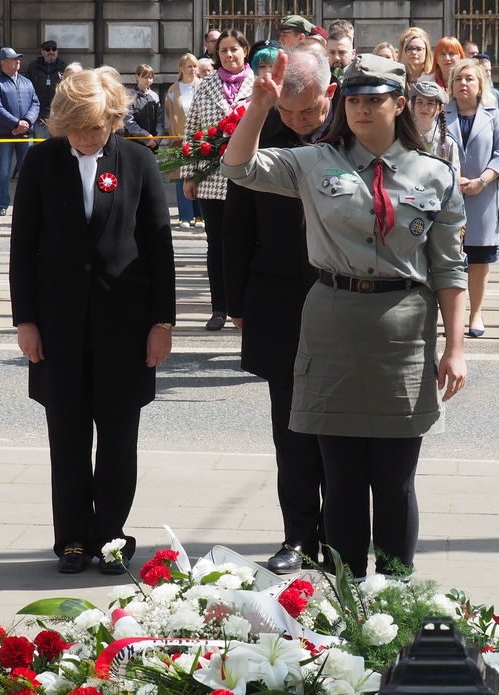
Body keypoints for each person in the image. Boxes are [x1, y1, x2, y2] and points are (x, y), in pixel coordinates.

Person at [222, 52, 467, 580]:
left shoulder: (436, 174)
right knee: (343, 475)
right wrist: (260, 106)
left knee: (396, 480)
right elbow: (237, 168)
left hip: (403, 329)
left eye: (374, 100)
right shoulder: (315, 161)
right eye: (353, 100)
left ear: (399, 104)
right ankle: (349, 594)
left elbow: (449, 269)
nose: (361, 110)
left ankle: (397, 598)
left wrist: (455, 348)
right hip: (331, 323)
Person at [8, 67, 175, 576]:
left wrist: (162, 323)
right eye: (79, 128)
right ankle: (73, 539)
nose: (88, 137)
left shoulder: (139, 161)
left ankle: (112, 537)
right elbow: (23, 246)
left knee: (120, 441)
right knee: (68, 439)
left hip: (125, 326)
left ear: (114, 121)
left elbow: (159, 246)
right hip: (59, 325)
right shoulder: (41, 162)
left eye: (98, 127)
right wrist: (26, 320)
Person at [222, 45, 325, 575]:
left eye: (307, 111)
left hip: (343, 300)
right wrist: (235, 301)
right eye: (288, 112)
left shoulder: (347, 139)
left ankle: (341, 535)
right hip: (279, 297)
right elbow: (236, 225)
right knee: (291, 425)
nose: (297, 121)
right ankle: (299, 535)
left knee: (341, 429)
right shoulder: (263, 137)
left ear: (329, 94)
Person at [183, 28, 254, 331]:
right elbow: (192, 130)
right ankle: (219, 308)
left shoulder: (258, 86)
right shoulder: (207, 85)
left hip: (250, 178)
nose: (229, 54)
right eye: (223, 50)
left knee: (248, 243)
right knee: (217, 245)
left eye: (234, 49)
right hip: (212, 178)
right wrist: (189, 175)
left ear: (244, 51)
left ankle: (247, 304)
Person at [445, 58, 499, 338]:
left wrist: (482, 180)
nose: (464, 84)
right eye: (459, 79)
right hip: (445, 196)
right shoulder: (440, 112)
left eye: (470, 79)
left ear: (479, 84)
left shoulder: (493, 114)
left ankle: (475, 314)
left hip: (481, 196)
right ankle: (450, 316)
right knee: (445, 257)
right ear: (451, 84)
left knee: (478, 258)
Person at [0, 46, 39, 217]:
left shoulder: (27, 82)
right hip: (5, 135)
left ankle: (27, 203)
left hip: (26, 134)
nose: (18, 61)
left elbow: (35, 104)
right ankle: (2, 204)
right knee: (3, 171)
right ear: (4, 63)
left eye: (18, 58)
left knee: (28, 171)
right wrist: (16, 123)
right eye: (14, 59)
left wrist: (27, 122)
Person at [165, 53, 202, 228]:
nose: (193, 70)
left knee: (200, 174)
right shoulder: (173, 90)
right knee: (181, 176)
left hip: (200, 138)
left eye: (195, 66)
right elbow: (169, 113)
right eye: (189, 66)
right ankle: (185, 216)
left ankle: (199, 216)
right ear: (181, 68)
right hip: (180, 138)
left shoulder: (203, 86)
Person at [410, 81, 460, 176]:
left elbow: (456, 180)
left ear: (440, 108)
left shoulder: (447, 142)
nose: (424, 107)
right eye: (419, 102)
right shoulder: (402, 137)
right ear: (412, 105)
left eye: (430, 103)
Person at [26, 40, 65, 140]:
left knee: (58, 146)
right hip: (40, 117)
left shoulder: (63, 67)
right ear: (42, 52)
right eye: (47, 49)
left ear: (57, 51)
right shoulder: (33, 67)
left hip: (58, 117)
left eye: (53, 49)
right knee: (42, 146)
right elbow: (27, 91)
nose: (51, 52)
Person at [124, 64, 164, 151]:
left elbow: (160, 121)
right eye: (145, 77)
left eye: (150, 78)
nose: (148, 80)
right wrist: (145, 136)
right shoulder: (130, 96)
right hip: (134, 144)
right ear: (137, 77)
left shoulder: (154, 96)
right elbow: (128, 120)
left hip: (152, 144)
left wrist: (157, 139)